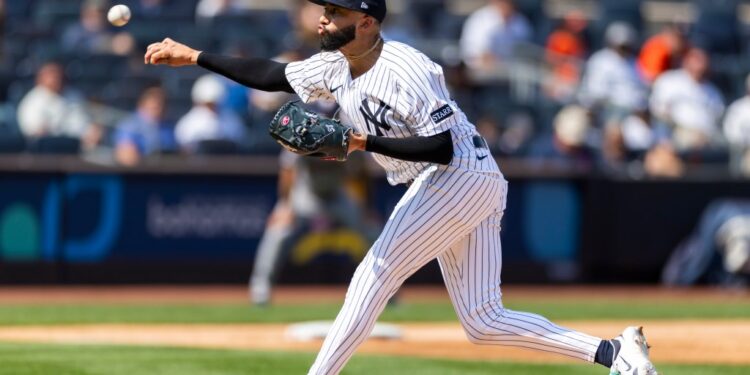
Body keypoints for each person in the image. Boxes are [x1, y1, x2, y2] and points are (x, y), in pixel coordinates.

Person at [143, 1, 658, 374]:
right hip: (467, 181)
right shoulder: (334, 65)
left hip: (458, 175)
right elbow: (274, 75)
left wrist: (357, 141)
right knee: (482, 319)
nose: (324, 17)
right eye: (325, 9)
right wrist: (194, 56)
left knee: (374, 273)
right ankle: (615, 354)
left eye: (337, 12)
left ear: (366, 22)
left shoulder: (406, 68)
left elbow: (442, 148)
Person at [649, 47, 724, 151]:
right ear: (686, 61)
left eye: (703, 61)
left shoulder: (713, 91)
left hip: (708, 136)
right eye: (697, 60)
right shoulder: (669, 81)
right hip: (677, 133)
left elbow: (717, 116)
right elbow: (658, 110)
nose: (701, 65)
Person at [17, 62, 102, 151]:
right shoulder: (33, 100)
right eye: (51, 74)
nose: (56, 78)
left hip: (77, 148)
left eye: (58, 74)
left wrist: (92, 132)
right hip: (46, 152)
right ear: (40, 78)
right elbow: (36, 134)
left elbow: (83, 125)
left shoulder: (74, 96)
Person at [174, 74, 248, 153]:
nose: (212, 108)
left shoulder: (231, 119)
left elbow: (240, 140)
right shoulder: (188, 124)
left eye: (215, 104)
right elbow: (185, 148)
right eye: (208, 104)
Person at [114, 86, 177, 166]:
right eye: (154, 106)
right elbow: (125, 157)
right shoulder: (129, 125)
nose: (159, 108)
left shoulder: (168, 127)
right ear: (142, 104)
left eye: (161, 104)